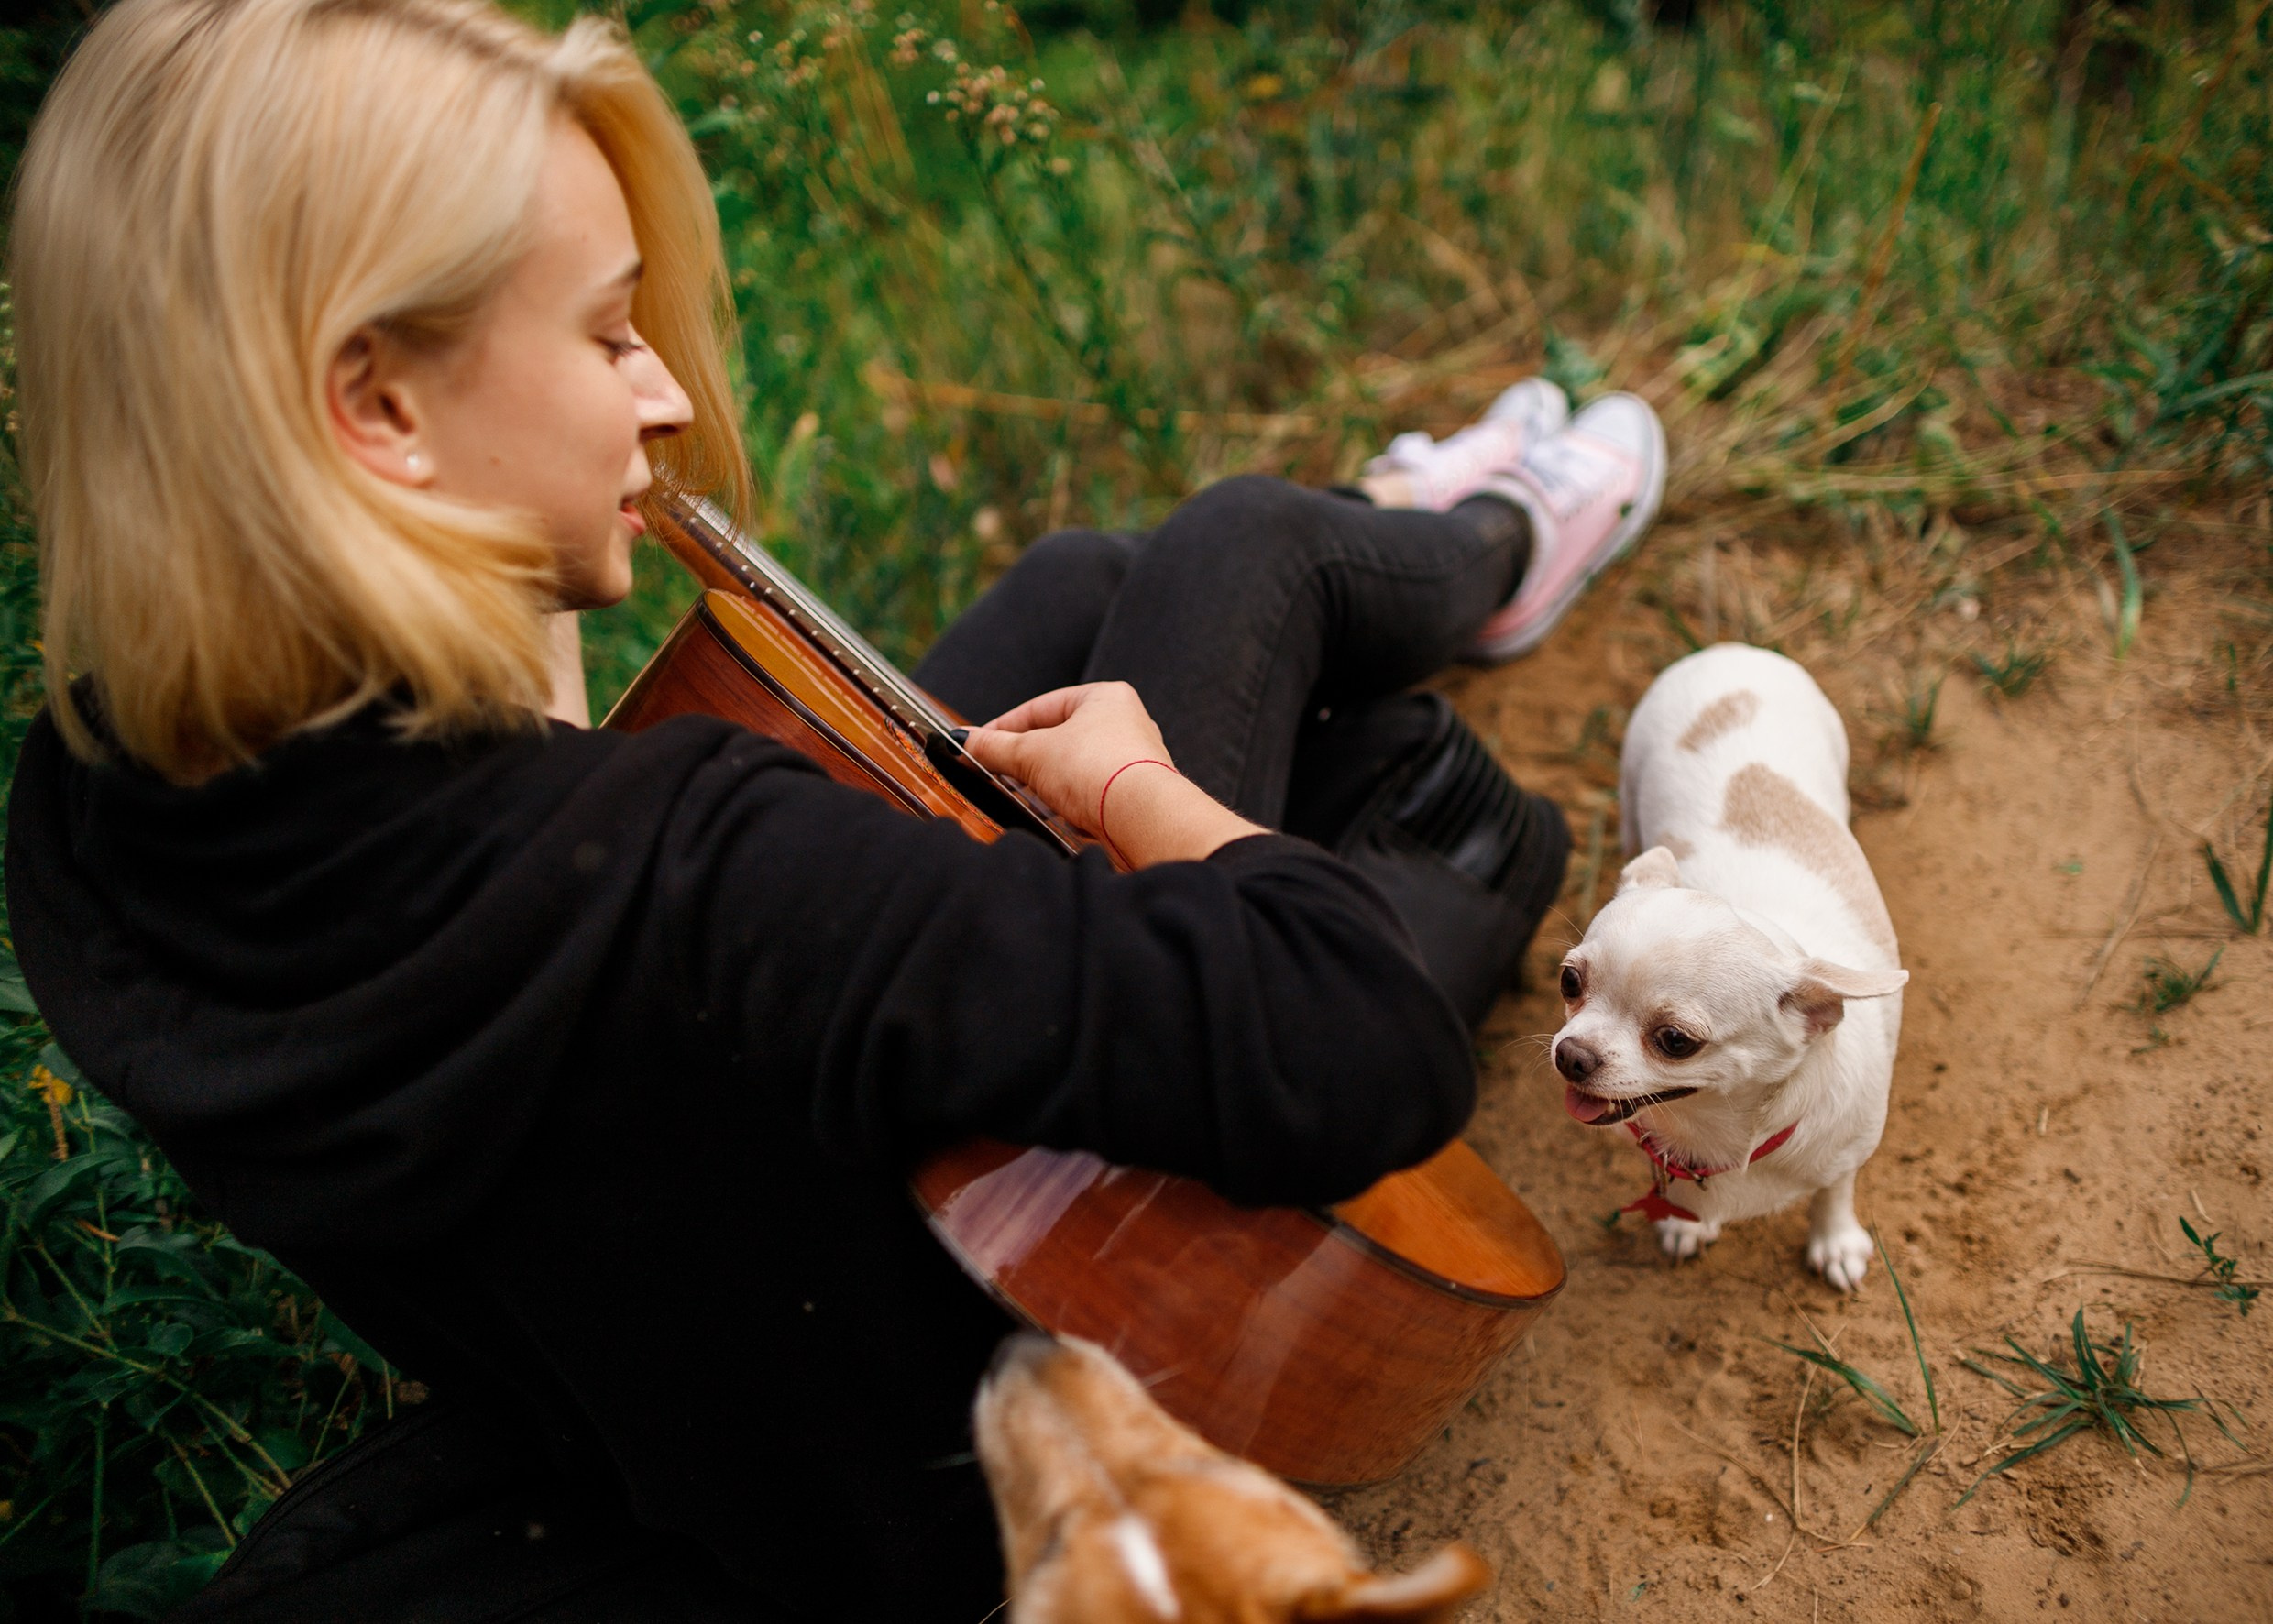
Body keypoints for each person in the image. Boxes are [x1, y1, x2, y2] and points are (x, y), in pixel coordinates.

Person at [2, 2, 1664, 1619]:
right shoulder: (705, 872)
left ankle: (1407, 590)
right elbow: (1362, 1031)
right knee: (1243, 548)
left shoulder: (91, 817)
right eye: (607, 333)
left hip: (699, 1370)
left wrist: (506, 553)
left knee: (1079, 585)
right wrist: (1135, 789)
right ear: (376, 408)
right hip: (1028, 1318)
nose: (664, 392)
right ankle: (1504, 537)